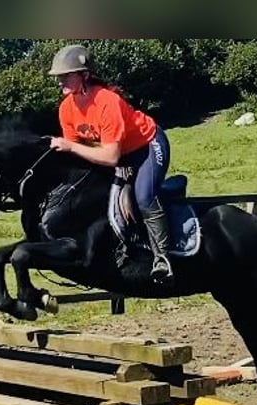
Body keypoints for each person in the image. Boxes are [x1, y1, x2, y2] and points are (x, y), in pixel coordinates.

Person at [47, 44, 174, 285]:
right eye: (58, 76)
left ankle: (162, 259)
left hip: (147, 146)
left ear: (84, 75)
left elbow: (110, 157)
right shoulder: (66, 109)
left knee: (144, 196)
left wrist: (70, 146)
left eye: (66, 75)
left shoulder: (107, 102)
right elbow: (77, 154)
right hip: (116, 153)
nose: (60, 81)